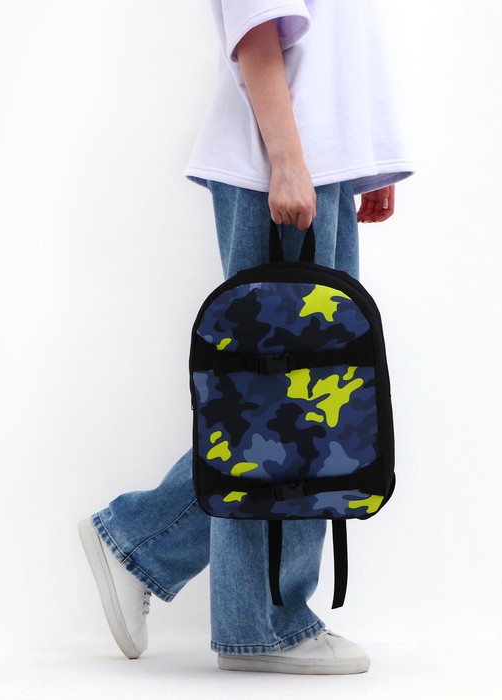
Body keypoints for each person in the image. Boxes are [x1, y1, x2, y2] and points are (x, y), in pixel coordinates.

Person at [78, 0, 414, 675]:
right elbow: (257, 25)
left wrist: (366, 159)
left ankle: (145, 544)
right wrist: (288, 160)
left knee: (299, 398)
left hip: (319, 166)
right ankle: (263, 624)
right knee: (286, 401)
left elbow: (337, 42)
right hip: (282, 163)